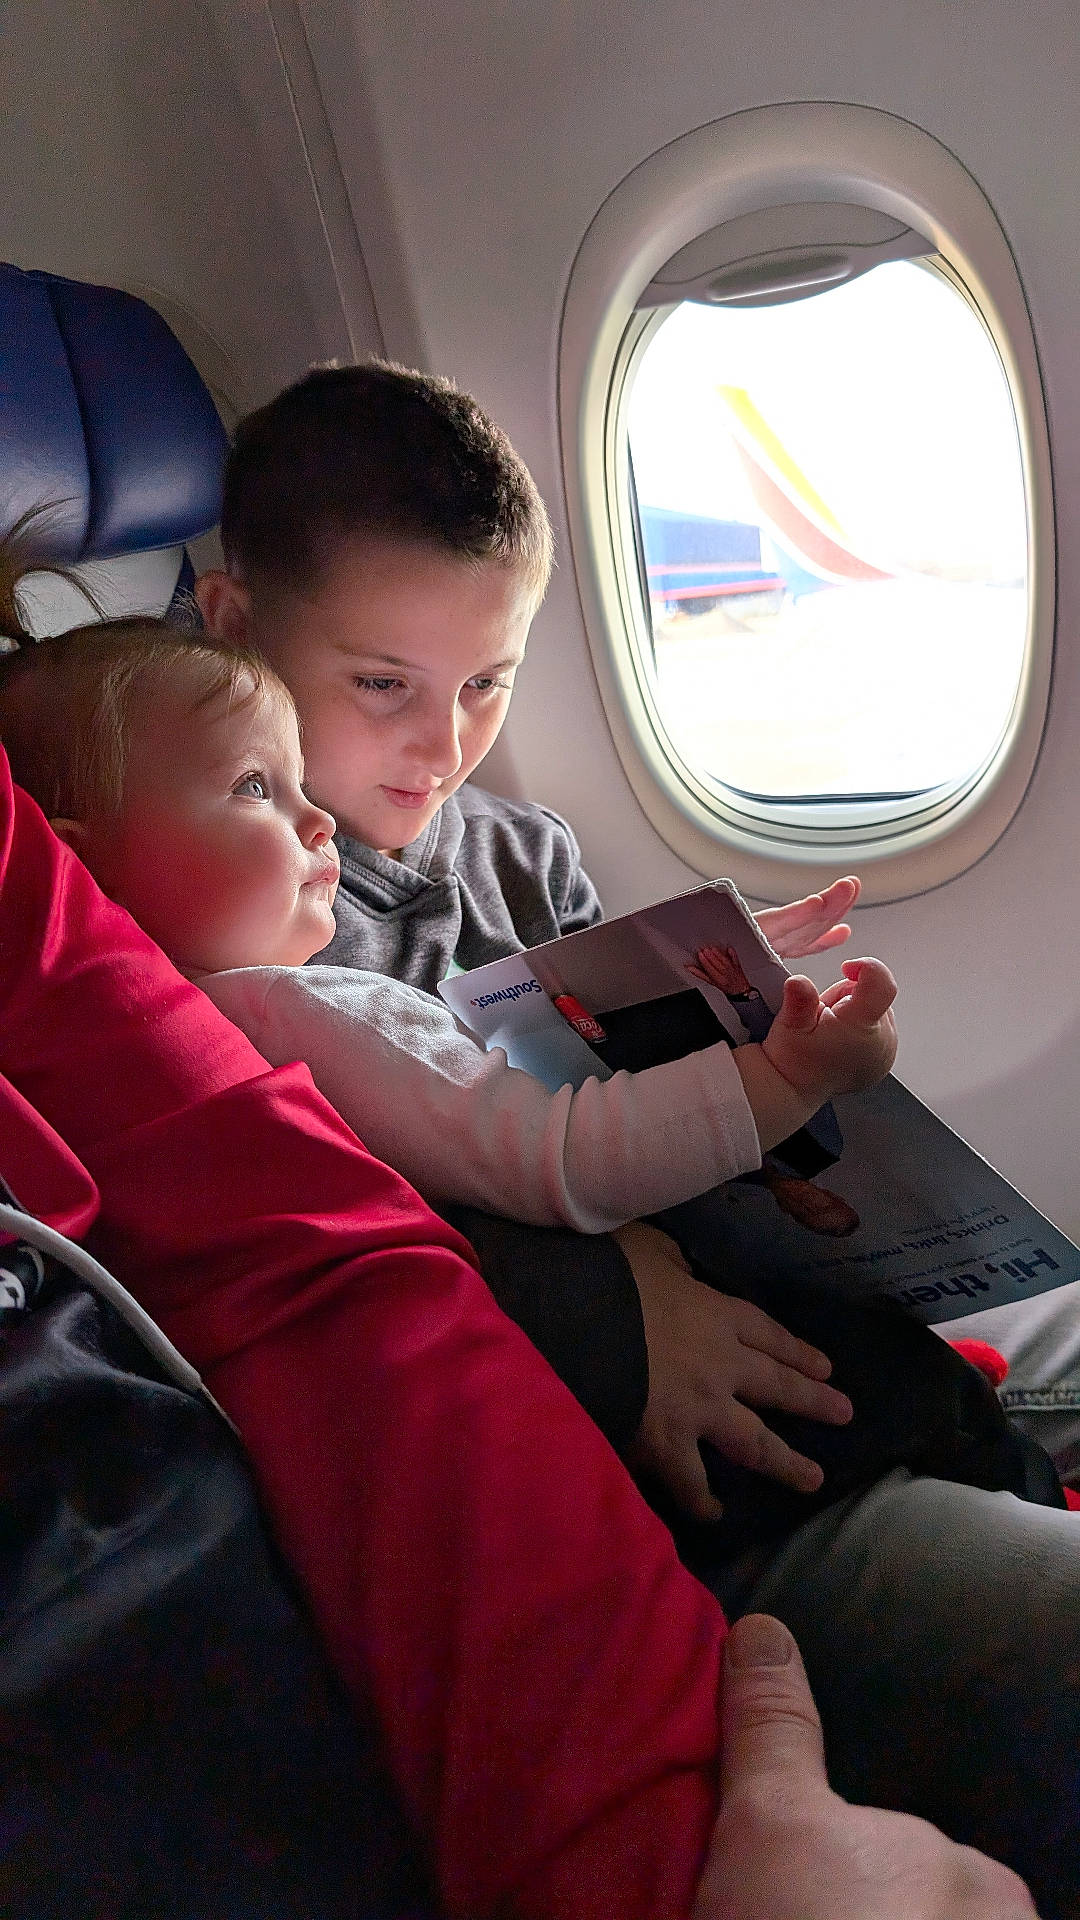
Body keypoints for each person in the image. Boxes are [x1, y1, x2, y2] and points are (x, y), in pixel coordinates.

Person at [174, 359, 1080, 1912]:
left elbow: (634, 1071)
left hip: (765, 1304)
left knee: (1054, 1316)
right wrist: (613, 1309)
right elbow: (313, 1258)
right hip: (664, 1479)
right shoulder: (226, 925)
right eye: (384, 683)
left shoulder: (513, 855)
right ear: (234, 620)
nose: (442, 745)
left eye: (491, 682)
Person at [0, 738, 1036, 1920]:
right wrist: (780, 1080)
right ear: (89, 865)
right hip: (654, 1420)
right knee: (912, 1383)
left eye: (299, 775)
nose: (322, 817)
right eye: (252, 788)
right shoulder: (288, 1004)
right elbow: (553, 1153)